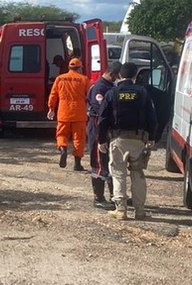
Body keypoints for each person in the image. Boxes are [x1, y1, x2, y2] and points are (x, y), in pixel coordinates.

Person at [98, 62, 158, 219]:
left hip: (118, 140)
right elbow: (152, 117)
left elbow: (103, 118)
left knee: (118, 173)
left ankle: (121, 210)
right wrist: (152, 137)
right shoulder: (143, 92)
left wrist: (101, 140)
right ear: (135, 75)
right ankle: (140, 211)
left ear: (119, 75)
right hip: (138, 140)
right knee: (137, 174)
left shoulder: (112, 93)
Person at [47, 56, 89, 170]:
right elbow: (89, 96)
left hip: (63, 112)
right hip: (79, 113)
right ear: (80, 68)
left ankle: (63, 148)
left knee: (61, 134)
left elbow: (53, 95)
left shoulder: (60, 79)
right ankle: (77, 164)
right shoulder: (84, 79)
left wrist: (51, 108)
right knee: (79, 138)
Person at [86, 64, 118, 208]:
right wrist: (102, 137)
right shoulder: (100, 88)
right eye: (117, 76)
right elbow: (101, 112)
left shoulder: (108, 86)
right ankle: (98, 198)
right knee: (99, 163)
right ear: (112, 74)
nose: (117, 79)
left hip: (106, 128)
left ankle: (115, 196)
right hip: (98, 127)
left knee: (109, 163)